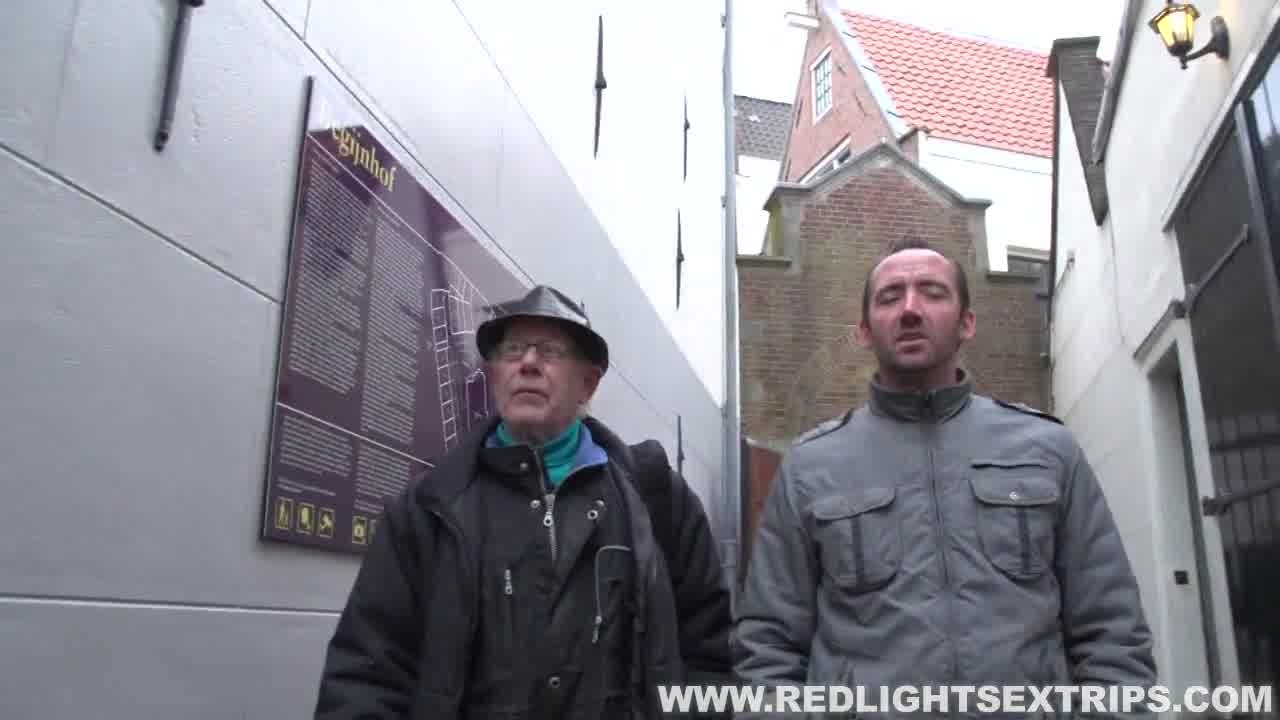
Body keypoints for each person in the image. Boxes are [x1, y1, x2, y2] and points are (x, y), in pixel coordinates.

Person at [733, 238, 1157, 715]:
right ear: (864, 331)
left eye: (932, 293)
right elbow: (769, 646)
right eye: (890, 297)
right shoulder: (811, 467)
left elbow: (1112, 628)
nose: (910, 310)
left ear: (967, 323)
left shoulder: (1048, 449)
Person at [313, 284, 732, 719]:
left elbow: (713, 658)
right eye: (513, 350)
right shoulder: (428, 511)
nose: (528, 363)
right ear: (494, 375)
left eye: (550, 351)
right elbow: (367, 675)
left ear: (588, 383)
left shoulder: (655, 499)